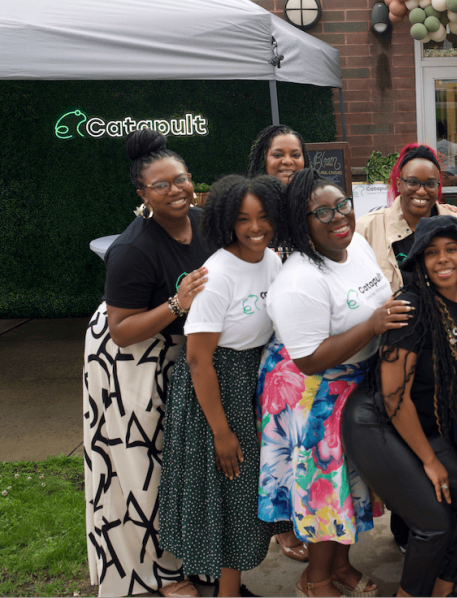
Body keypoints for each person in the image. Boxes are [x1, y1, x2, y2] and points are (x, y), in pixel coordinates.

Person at [258, 169, 406, 597]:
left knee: (352, 485)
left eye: (342, 205)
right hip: (315, 393)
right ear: (299, 224)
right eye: (322, 212)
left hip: (355, 382)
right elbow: (308, 359)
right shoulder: (298, 281)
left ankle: (341, 565)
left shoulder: (353, 243)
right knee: (325, 491)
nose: (338, 216)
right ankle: (316, 579)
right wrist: (373, 327)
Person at [341, 215, 457, 597]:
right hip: (376, 423)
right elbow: (394, 397)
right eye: (432, 253)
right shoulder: (410, 307)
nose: (443, 259)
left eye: (450, 250)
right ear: (420, 262)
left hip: (427, 426)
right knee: (434, 521)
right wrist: (430, 461)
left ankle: (441, 590)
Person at [83, 130, 210, 598]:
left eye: (181, 179)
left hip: (182, 352)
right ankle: (161, 573)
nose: (176, 189)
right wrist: (178, 305)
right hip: (130, 363)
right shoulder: (133, 248)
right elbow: (121, 329)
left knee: (185, 463)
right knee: (146, 467)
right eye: (162, 185)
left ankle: (194, 554)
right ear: (143, 195)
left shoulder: (205, 220)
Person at [158, 174, 288, 597]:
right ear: (227, 221)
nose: (255, 228)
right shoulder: (217, 274)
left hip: (252, 383)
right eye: (243, 219)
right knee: (230, 497)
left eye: (264, 217)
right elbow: (198, 361)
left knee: (245, 498)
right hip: (215, 392)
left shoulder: (272, 260)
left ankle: (230, 588)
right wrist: (221, 431)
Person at [246, 123, 311, 560]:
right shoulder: (253, 207)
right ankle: (282, 525)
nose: (288, 161)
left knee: (301, 443)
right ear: (262, 160)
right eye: (278, 154)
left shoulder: (311, 204)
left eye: (295, 154)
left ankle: (305, 516)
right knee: (273, 443)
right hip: (261, 340)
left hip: (306, 343)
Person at [356, 143, 457, 292]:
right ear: (399, 184)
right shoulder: (366, 230)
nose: (421, 191)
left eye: (430, 184)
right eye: (412, 182)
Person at [246, 124, 311, 184]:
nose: (287, 161)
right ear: (263, 159)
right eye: (277, 155)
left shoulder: (317, 194)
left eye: (295, 155)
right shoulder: (249, 196)